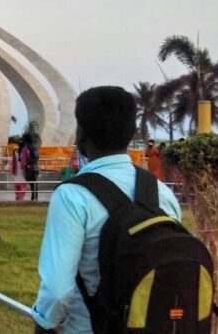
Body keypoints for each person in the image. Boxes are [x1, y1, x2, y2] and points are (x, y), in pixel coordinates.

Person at [32, 86, 181, 332]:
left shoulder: (72, 196)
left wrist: (43, 324)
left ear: (81, 135)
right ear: (132, 132)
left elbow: (57, 292)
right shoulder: (162, 192)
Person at [21, 134, 40, 201]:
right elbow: (38, 157)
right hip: (36, 167)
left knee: (31, 183)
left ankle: (33, 197)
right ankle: (35, 197)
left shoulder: (25, 149)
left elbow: (23, 161)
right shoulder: (35, 148)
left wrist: (23, 169)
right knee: (35, 183)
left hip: (29, 168)